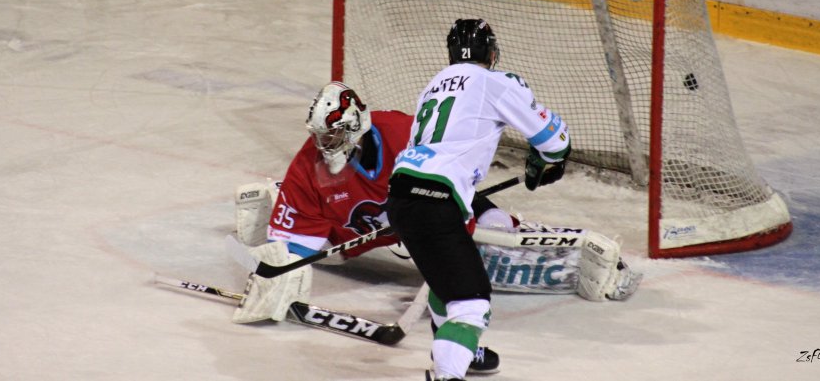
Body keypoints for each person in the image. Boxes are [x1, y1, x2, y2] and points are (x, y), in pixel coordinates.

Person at [232, 80, 640, 375]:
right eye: (321, 134)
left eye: (335, 133)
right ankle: (275, 196)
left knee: (494, 232)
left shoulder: (404, 134)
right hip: (359, 234)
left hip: (421, 211)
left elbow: (455, 177)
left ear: (356, 126)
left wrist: (478, 214)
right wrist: (276, 274)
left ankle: (571, 260)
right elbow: (294, 248)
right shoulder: (309, 167)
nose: (325, 143)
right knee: (341, 250)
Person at [385, 18, 572, 381]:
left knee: (446, 284)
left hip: (401, 194)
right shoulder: (495, 81)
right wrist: (544, 162)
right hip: (436, 198)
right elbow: (555, 142)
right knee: (471, 305)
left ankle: (459, 353)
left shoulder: (433, 86)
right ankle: (448, 373)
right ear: (492, 52)